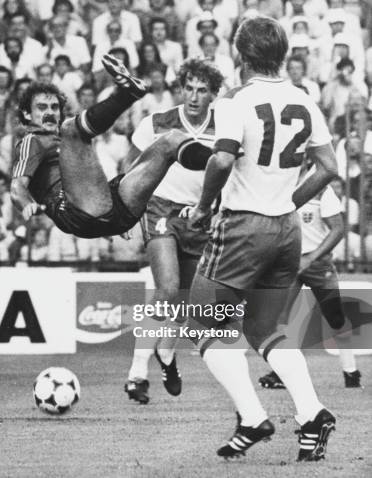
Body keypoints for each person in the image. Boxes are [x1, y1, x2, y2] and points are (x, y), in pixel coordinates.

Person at [186, 17, 338, 461]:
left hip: (242, 226)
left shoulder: (237, 100)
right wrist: (289, 200)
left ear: (241, 55)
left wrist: (202, 207)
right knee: (263, 328)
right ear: (283, 55)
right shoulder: (304, 100)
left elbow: (219, 162)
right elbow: (328, 167)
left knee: (199, 322)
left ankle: (253, 417)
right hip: (287, 229)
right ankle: (312, 414)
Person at [11, 54, 209, 240]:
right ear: (27, 114)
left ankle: (218, 156)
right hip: (74, 211)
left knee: (171, 140)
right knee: (71, 128)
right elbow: (17, 186)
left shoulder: (67, 146)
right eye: (42, 107)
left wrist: (105, 224)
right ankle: (127, 95)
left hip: (110, 210)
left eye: (54, 107)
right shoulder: (32, 140)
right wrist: (26, 204)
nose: (50, 113)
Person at [124, 58, 223, 404]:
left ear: (213, 94)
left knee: (187, 302)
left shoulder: (225, 125)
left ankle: (166, 355)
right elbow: (131, 168)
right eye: (189, 88)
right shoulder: (158, 122)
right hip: (161, 209)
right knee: (166, 289)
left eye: (202, 90)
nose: (194, 96)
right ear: (180, 89)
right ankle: (137, 374)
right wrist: (125, 213)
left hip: (203, 218)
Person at [258, 163, 362, 389]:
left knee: (335, 317)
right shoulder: (279, 186)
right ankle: (281, 374)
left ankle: (351, 372)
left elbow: (337, 229)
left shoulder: (323, 189)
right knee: (278, 320)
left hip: (317, 264)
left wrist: (311, 258)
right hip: (287, 263)